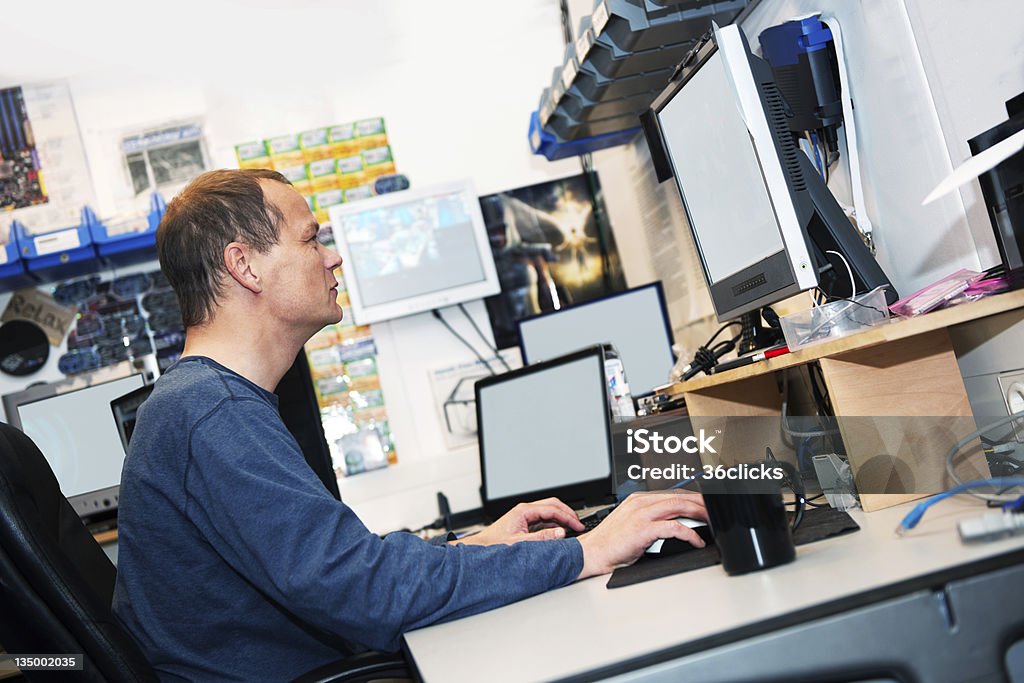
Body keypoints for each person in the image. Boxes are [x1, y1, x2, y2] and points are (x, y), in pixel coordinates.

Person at [112, 169, 708, 681]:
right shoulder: (214, 415)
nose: (333, 256)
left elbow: (344, 566)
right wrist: (587, 550)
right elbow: (367, 593)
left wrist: (478, 545)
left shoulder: (204, 402)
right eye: (311, 239)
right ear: (244, 265)